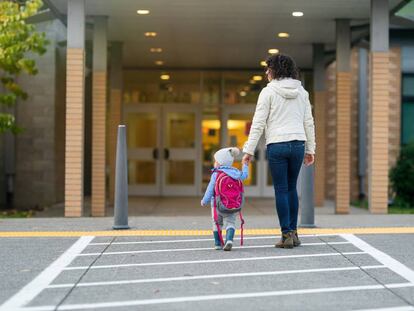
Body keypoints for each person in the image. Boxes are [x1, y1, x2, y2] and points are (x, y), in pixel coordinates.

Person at [242, 54, 315, 249]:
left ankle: (286, 235)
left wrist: (249, 150)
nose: (266, 72)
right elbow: (308, 122)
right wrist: (310, 149)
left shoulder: (268, 92)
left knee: (281, 189)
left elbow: (258, 123)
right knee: (292, 188)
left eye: (268, 68)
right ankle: (294, 233)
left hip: (277, 145)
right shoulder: (302, 92)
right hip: (298, 143)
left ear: (276, 70)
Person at [201, 147, 248, 251]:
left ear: (220, 163)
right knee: (230, 222)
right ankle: (229, 240)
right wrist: (245, 165)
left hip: (216, 205)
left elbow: (210, 188)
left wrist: (205, 200)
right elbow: (245, 175)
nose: (214, 163)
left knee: (217, 223)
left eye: (216, 161)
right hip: (233, 204)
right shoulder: (236, 173)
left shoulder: (216, 174)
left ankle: (218, 244)